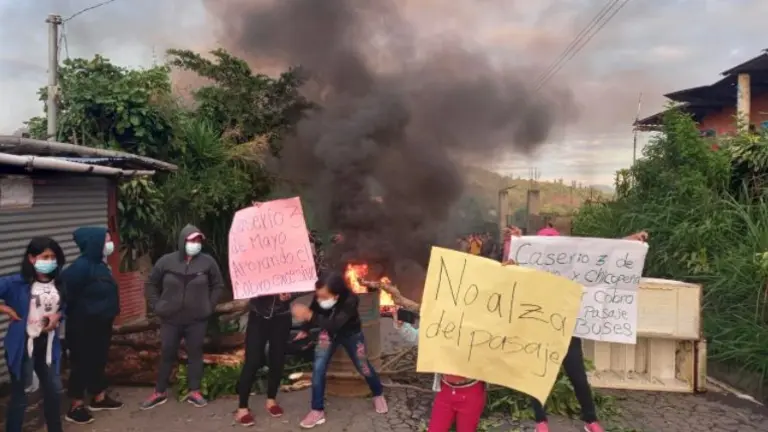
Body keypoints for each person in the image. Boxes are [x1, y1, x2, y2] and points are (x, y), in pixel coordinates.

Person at [503, 226, 649, 432]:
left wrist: (629, 242)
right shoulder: (530, 270)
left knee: (579, 378)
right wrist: (517, 242)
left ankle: (590, 420)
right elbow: (511, 269)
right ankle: (540, 422)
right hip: (541, 330)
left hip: (568, 331)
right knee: (537, 377)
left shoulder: (573, 266)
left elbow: (602, 254)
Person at [141, 225, 225, 410]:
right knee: (167, 352)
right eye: (191, 240)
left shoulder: (207, 262)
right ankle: (159, 391)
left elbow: (218, 285)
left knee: (195, 353)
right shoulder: (166, 261)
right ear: (183, 241)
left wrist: (208, 306)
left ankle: (194, 391)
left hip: (196, 319)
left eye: (198, 241)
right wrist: (157, 305)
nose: (195, 244)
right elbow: (150, 284)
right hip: (170, 319)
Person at [291, 272, 388, 429]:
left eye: (324, 296)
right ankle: (317, 410)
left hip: (351, 335)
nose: (320, 299)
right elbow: (315, 309)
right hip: (327, 335)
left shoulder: (350, 300)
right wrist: (305, 329)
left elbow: (335, 324)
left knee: (363, 366)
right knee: (318, 368)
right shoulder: (320, 297)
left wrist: (309, 316)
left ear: (336, 294)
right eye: (318, 296)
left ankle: (378, 393)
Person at [0, 237, 66, 432]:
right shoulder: (15, 283)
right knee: (21, 396)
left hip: (48, 346)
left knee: (54, 391)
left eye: (53, 257)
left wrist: (58, 315)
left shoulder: (59, 282)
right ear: (31, 258)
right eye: (45, 256)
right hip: (22, 346)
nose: (50, 261)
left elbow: (67, 306)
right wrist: (5, 309)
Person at [62, 227, 123, 424]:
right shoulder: (80, 267)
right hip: (83, 325)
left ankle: (99, 396)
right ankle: (76, 405)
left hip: (101, 323)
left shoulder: (100, 265)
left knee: (99, 359)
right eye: (105, 239)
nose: (109, 243)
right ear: (94, 243)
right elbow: (64, 294)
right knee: (81, 363)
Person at [393, 308, 485, 432]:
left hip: (471, 393)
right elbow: (416, 337)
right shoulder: (441, 323)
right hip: (445, 390)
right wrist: (402, 326)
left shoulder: (479, 327)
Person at [234, 291, 302, 426]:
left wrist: (290, 294)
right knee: (252, 361)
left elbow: (301, 282)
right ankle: (242, 407)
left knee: (277, 358)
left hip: (282, 316)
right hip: (258, 316)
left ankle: (271, 399)